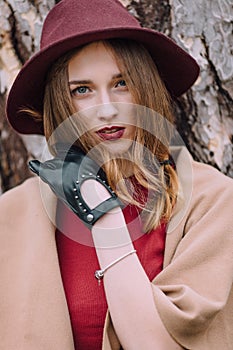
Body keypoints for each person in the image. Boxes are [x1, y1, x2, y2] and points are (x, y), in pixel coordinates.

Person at [1, 0, 233, 349]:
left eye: (122, 83)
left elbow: (153, 344)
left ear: (146, 87)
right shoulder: (14, 214)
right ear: (60, 105)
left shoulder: (212, 201)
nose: (106, 108)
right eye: (82, 90)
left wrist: (102, 212)